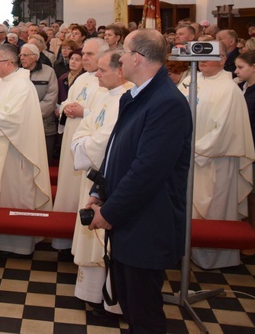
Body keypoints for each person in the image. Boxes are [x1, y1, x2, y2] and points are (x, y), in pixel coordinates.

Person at [85, 29, 191, 332]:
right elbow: (116, 149)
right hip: (130, 219)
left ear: (137, 57)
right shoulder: (137, 95)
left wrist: (110, 213)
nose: (119, 57)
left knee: (143, 312)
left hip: (148, 222)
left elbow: (148, 171)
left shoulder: (166, 103)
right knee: (130, 303)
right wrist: (99, 190)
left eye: (124, 51)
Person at [178, 41, 254, 269]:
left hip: (213, 161)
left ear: (223, 59)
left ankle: (212, 259)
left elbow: (224, 130)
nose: (203, 59)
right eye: (200, 53)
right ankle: (184, 254)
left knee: (214, 210)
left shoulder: (228, 89)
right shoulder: (189, 79)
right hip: (185, 158)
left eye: (210, 54)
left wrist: (193, 151)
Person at [70, 51, 130, 316]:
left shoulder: (125, 100)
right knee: (92, 240)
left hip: (109, 178)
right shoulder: (105, 95)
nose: (96, 74)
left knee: (105, 242)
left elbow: (106, 140)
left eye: (102, 70)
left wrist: (83, 143)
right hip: (94, 177)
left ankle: (109, 302)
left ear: (120, 71)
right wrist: (82, 141)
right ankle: (91, 293)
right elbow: (85, 127)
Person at [0, 44, 52, 256]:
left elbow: (15, 118)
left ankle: (19, 246)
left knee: (15, 194)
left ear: (9, 64)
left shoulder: (22, 85)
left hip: (14, 152)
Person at [53, 38, 108, 250]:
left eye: (89, 55)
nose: (84, 58)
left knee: (84, 192)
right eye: (83, 54)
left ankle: (82, 244)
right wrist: (67, 107)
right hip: (72, 139)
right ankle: (64, 238)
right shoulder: (83, 77)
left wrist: (82, 111)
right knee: (69, 188)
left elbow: (108, 116)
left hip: (90, 148)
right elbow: (69, 100)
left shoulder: (109, 81)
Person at [236, 50, 255, 258]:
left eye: (241, 67)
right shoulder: (241, 87)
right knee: (249, 196)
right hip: (244, 147)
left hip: (254, 149)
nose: (236, 71)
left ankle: (254, 240)